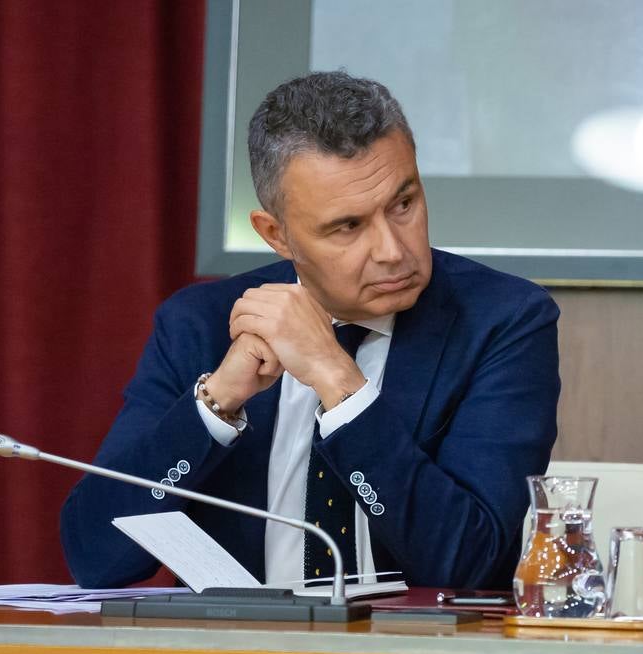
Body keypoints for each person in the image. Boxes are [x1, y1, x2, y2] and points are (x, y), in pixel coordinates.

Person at [61, 71, 560, 589]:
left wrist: (338, 381)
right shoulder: (198, 325)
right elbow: (97, 558)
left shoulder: (501, 320)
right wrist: (217, 404)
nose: (393, 250)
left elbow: (470, 564)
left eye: (403, 204)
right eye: (348, 226)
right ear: (276, 234)